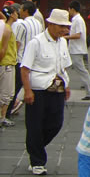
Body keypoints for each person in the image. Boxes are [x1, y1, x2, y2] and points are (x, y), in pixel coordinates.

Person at [21, 9, 73, 175]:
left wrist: (67, 86)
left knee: (56, 123)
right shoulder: (36, 42)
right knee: (35, 124)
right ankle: (37, 160)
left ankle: (34, 148)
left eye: (66, 27)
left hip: (57, 88)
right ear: (50, 24)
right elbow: (25, 69)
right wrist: (28, 91)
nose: (64, 30)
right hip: (38, 89)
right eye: (61, 26)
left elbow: (63, 67)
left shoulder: (62, 42)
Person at [7, 0, 43, 118]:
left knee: (14, 89)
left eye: (21, 9)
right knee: (32, 86)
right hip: (34, 60)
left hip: (21, 59)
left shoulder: (22, 24)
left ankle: (7, 113)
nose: (19, 11)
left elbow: (17, 43)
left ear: (25, 11)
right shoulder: (38, 23)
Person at [66, 0, 90, 101]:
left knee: (82, 71)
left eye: (69, 9)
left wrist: (66, 37)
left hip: (76, 50)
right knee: (65, 67)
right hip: (74, 49)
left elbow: (78, 35)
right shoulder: (76, 19)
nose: (68, 11)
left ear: (72, 9)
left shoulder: (78, 20)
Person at [0, 5, 18, 127]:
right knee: (6, 93)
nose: (17, 14)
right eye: (15, 12)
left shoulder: (5, 27)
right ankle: (2, 117)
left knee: (8, 93)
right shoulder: (7, 29)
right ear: (11, 14)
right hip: (6, 63)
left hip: (8, 62)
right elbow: (3, 49)